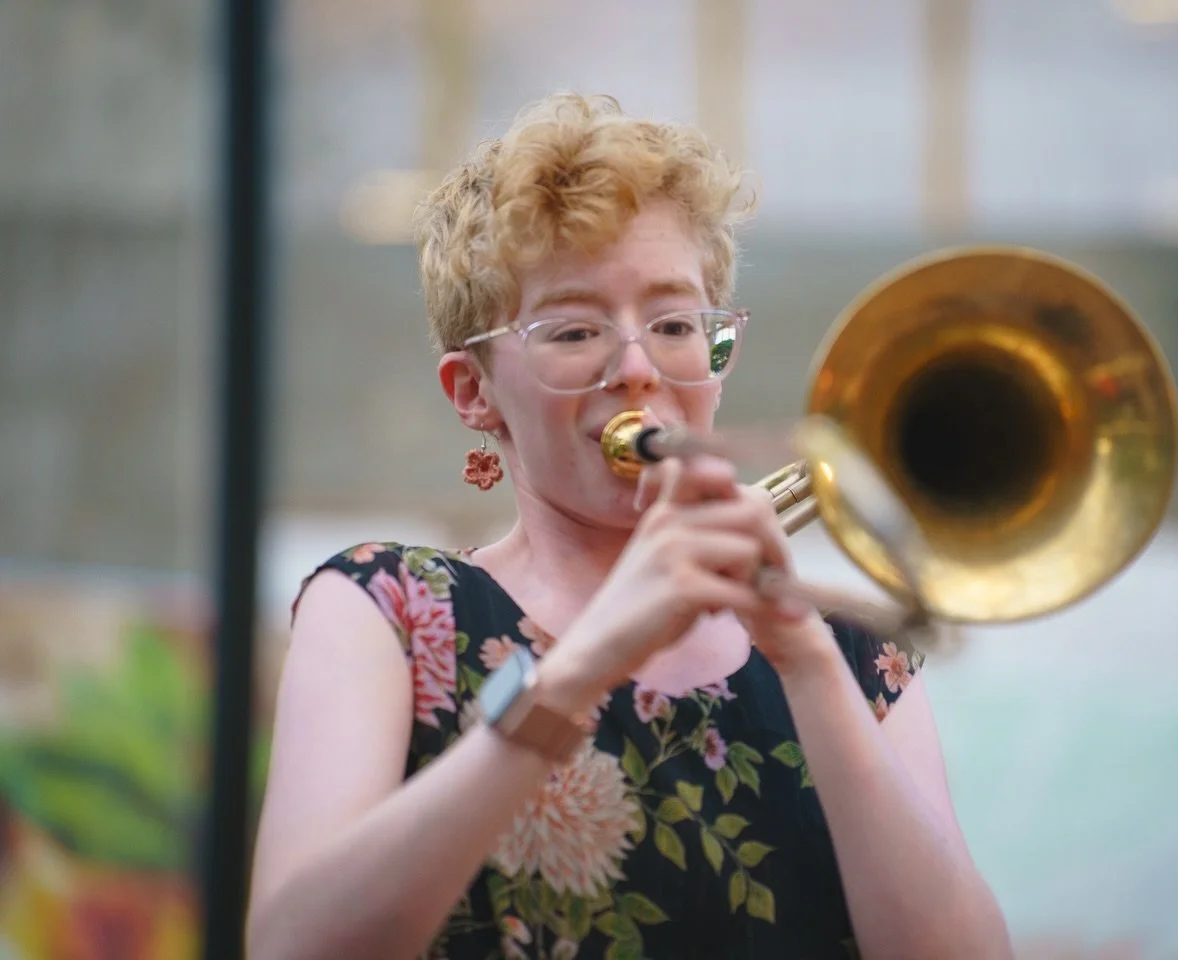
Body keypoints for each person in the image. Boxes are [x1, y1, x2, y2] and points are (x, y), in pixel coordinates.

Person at [246, 92, 1012, 960]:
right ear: (473, 392)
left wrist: (803, 656)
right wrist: (584, 664)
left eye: (677, 323)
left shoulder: (846, 651)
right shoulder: (387, 609)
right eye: (574, 330)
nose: (639, 369)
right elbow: (292, 946)